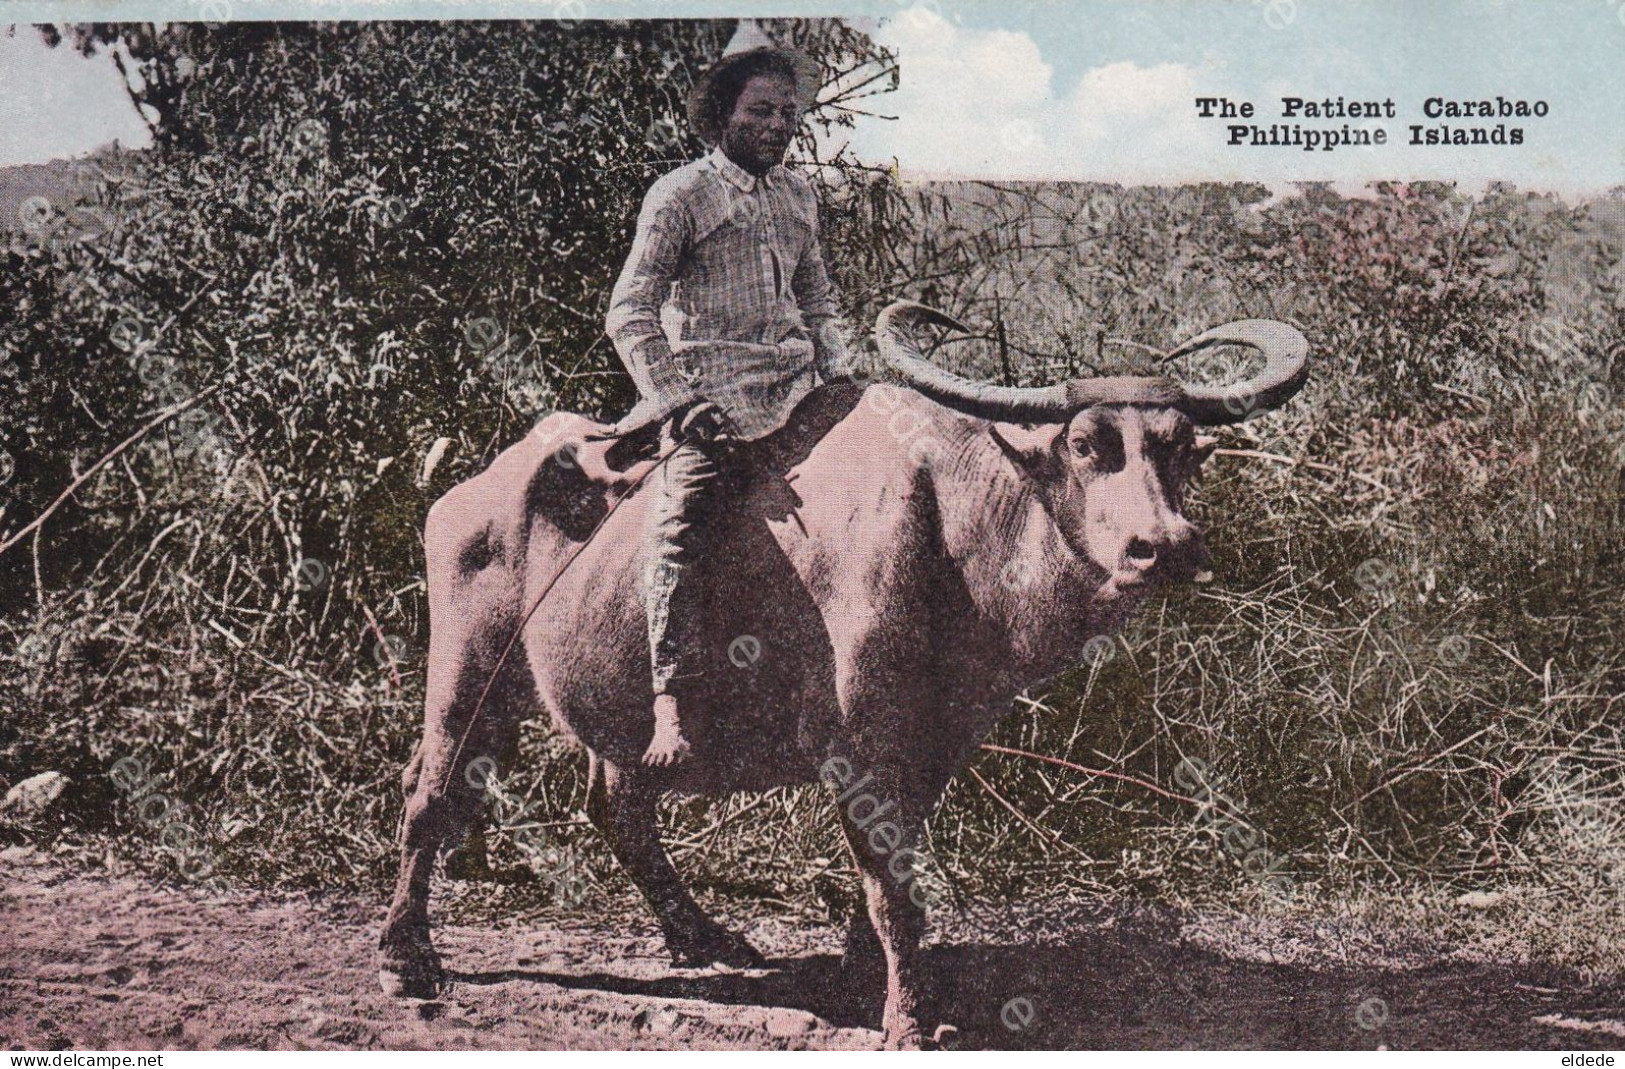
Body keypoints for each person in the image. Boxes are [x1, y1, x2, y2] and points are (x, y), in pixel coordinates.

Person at [605, 43, 854, 766]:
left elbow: (817, 300)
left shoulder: (797, 196)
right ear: (722, 116)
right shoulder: (679, 195)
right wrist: (678, 401)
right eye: (760, 111)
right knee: (679, 527)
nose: (777, 126)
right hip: (711, 402)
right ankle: (670, 703)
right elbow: (629, 312)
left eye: (788, 112)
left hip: (801, 393)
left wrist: (838, 371)